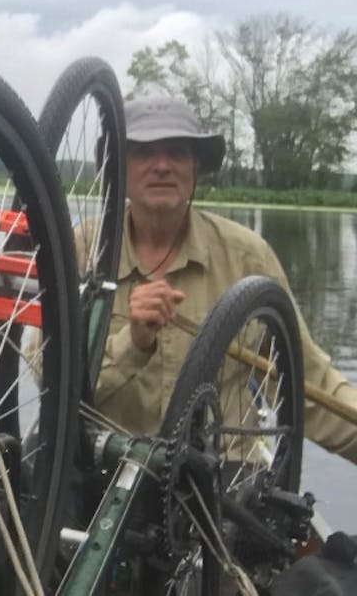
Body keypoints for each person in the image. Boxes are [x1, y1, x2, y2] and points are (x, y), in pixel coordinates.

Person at [93, 95, 357, 462]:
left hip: (224, 476)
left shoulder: (247, 255)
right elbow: (49, 379)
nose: (162, 166)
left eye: (177, 153)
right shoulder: (83, 250)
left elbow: (308, 382)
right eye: (144, 153)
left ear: (196, 168)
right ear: (119, 166)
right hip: (108, 468)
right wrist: (133, 343)